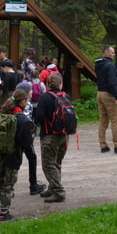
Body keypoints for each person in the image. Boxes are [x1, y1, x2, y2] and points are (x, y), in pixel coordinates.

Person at [0, 90, 34, 222]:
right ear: (22, 101)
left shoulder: (3, 114)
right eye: (27, 100)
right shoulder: (22, 119)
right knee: (8, 186)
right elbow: (27, 142)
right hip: (13, 157)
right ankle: (4, 213)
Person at [33, 73, 69, 203]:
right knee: (57, 163)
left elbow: (39, 117)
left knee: (48, 164)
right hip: (64, 135)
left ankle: (58, 191)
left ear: (48, 84)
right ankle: (53, 188)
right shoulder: (66, 96)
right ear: (60, 84)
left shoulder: (45, 97)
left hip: (49, 135)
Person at [94, 45, 117, 154]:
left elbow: (108, 77)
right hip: (108, 94)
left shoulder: (99, 63)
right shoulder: (109, 65)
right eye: (112, 52)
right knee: (115, 120)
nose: (114, 54)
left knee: (103, 120)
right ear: (107, 53)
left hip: (100, 93)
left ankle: (103, 145)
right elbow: (111, 82)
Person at [15, 80, 47, 196]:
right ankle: (33, 185)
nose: (33, 91)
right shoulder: (26, 104)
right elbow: (27, 122)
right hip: (25, 138)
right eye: (30, 90)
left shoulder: (11, 102)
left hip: (14, 137)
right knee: (32, 158)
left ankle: (8, 187)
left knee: (14, 162)